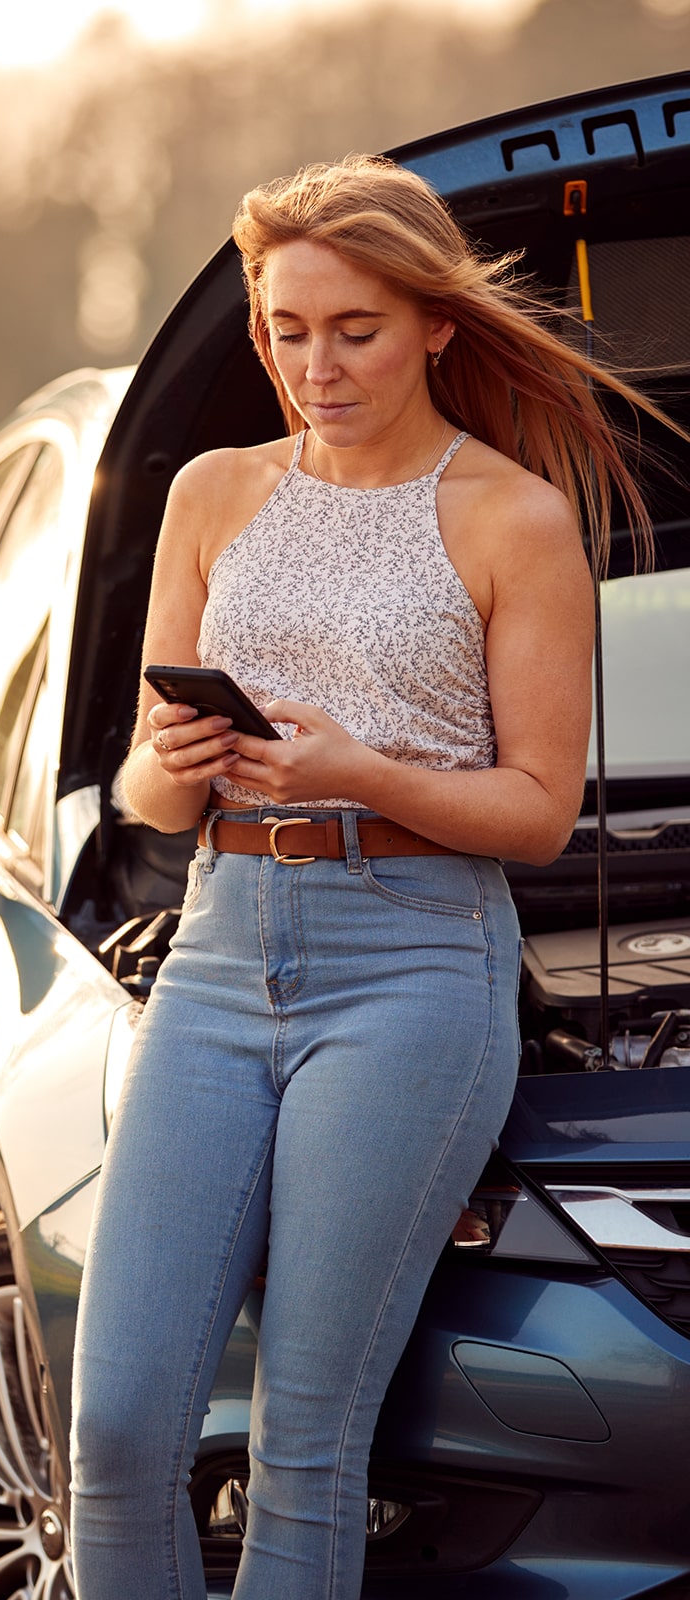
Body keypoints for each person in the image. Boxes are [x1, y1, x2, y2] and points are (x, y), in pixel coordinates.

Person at [68, 154, 671, 1600]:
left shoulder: (512, 518)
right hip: (217, 947)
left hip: (410, 967)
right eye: (287, 329)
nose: (315, 365)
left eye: (357, 329)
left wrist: (356, 774)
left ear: (436, 325)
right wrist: (178, 749)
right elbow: (151, 799)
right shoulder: (215, 494)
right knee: (118, 1426)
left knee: (308, 1435)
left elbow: (535, 813)